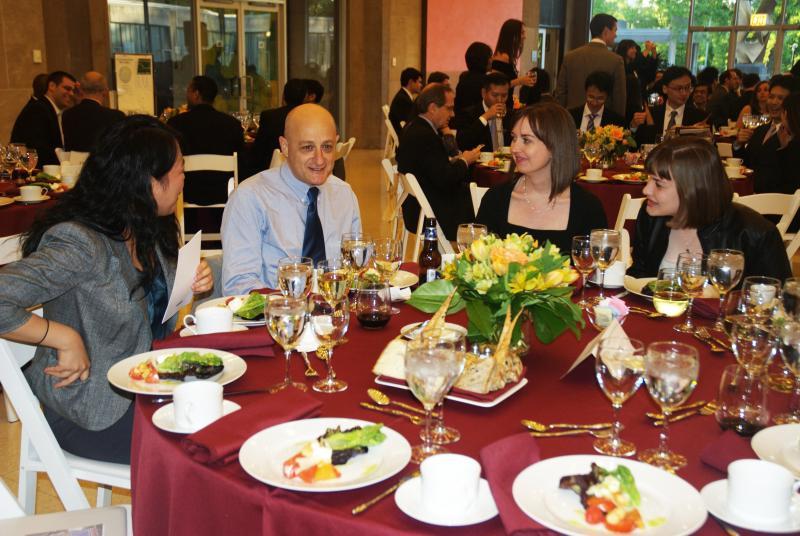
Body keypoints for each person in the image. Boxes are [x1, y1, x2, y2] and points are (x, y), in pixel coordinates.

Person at [0, 116, 213, 464]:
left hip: (146, 383)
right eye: (179, 170)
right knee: (208, 445)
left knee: (234, 404)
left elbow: (154, 300)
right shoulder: (81, 243)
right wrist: (62, 337)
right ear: (149, 182)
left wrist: (195, 277)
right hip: (93, 408)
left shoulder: (144, 227)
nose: (183, 179)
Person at [221, 104, 361, 294]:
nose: (319, 160)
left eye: (327, 147)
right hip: (276, 317)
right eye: (307, 148)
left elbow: (357, 268)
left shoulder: (344, 195)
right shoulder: (251, 198)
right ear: (285, 147)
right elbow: (238, 286)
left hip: (332, 315)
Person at [629, 136, 790, 280]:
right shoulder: (651, 215)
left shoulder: (755, 234)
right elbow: (639, 276)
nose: (646, 190)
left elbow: (779, 302)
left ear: (693, 188)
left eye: (658, 184)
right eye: (648, 179)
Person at [476, 102, 607, 254]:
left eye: (526, 140)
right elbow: (477, 265)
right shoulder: (496, 200)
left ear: (555, 145)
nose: (514, 148)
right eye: (513, 138)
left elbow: (596, 273)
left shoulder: (587, 209)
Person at [397, 83, 481, 241]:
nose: (452, 114)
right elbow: (446, 179)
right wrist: (464, 161)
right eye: (449, 108)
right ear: (433, 108)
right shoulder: (425, 136)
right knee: (482, 199)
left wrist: (453, 161)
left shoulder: (414, 127)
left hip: (415, 207)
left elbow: (431, 167)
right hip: (431, 211)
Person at [167, 75, 244, 206]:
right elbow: (242, 161)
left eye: (189, 90)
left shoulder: (176, 124)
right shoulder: (233, 124)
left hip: (188, 190)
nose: (187, 94)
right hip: (223, 189)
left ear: (196, 94)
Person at [734, 75, 798, 193]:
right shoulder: (761, 130)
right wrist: (738, 144)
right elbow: (747, 164)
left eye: (780, 98)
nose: (774, 102)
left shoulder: (793, 135)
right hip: (750, 193)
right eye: (771, 97)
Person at [556, 13, 626, 117]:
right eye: (615, 30)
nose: (616, 35)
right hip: (604, 126)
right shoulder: (616, 60)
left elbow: (560, 94)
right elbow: (619, 99)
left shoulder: (570, 57)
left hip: (571, 121)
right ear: (606, 31)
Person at [10, 71, 77, 166]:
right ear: (52, 86)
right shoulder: (38, 110)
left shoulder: (48, 109)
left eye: (73, 90)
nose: (71, 94)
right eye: (67, 88)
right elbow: (37, 151)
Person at [632, 66, 709, 145]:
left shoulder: (700, 117)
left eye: (687, 88)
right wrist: (634, 127)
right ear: (665, 89)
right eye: (679, 88)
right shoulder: (651, 113)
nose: (684, 93)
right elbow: (635, 144)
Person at [250, 78, 308, 174]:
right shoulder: (310, 118)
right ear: (305, 97)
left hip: (270, 171)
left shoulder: (269, 116)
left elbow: (258, 150)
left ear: (283, 96)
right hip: (302, 170)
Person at [62, 71, 125, 153]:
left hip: (74, 164)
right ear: (105, 92)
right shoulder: (116, 116)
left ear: (81, 90)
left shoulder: (68, 114)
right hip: (102, 164)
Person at [454, 71, 510, 152]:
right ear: (483, 93)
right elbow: (462, 144)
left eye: (504, 95)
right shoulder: (468, 114)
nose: (500, 100)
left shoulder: (511, 115)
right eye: (495, 95)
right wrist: (485, 117)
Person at [491, 19, 536, 112]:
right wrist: (520, 81)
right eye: (522, 33)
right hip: (500, 107)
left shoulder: (508, 56)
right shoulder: (502, 57)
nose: (525, 37)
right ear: (512, 35)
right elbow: (496, 85)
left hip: (506, 105)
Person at [455, 41, 492, 114]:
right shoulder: (486, 81)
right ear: (483, 59)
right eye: (490, 56)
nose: (492, 60)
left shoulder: (463, 78)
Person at [388, 67, 423, 135]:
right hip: (405, 135)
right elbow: (412, 121)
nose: (421, 85)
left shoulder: (404, 96)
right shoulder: (402, 99)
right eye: (419, 82)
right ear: (411, 82)